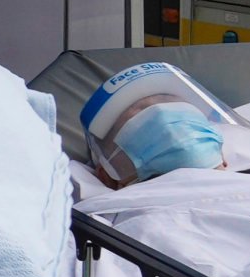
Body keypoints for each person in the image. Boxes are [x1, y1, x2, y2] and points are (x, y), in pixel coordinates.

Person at [78, 61, 234, 185]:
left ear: (223, 157)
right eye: (140, 116)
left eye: (180, 111)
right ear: (105, 176)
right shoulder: (137, 222)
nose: (170, 130)